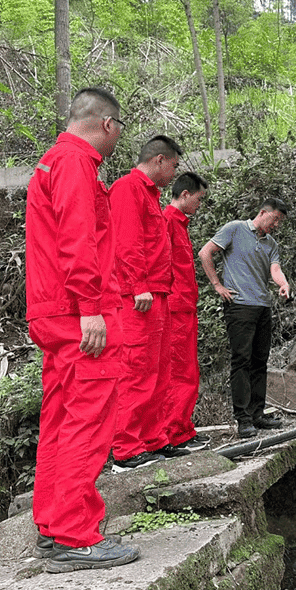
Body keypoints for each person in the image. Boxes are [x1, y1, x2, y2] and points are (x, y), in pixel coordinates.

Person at [25, 86, 139, 572]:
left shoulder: (52, 161)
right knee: (88, 421)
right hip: (78, 314)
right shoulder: (75, 163)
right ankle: (75, 536)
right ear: (107, 125)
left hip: (54, 311)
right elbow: (77, 239)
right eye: (119, 132)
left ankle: (54, 527)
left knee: (60, 418)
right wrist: (91, 307)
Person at [109, 135, 191, 472]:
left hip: (157, 294)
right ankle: (126, 448)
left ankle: (154, 439)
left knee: (158, 370)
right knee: (136, 368)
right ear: (159, 160)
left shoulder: (150, 195)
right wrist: (138, 285)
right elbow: (126, 240)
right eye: (173, 166)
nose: (174, 174)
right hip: (137, 296)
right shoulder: (128, 188)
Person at [198, 198, 291, 439]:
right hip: (238, 305)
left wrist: (283, 284)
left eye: (280, 221)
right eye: (275, 219)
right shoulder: (235, 228)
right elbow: (205, 252)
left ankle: (257, 414)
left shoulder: (270, 242)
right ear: (263, 212)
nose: (277, 224)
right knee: (242, 360)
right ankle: (243, 419)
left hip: (262, 306)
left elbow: (275, 269)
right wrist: (217, 285)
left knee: (260, 361)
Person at [163, 172, 211, 452]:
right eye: (199, 199)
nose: (199, 204)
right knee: (179, 373)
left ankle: (182, 429)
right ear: (184, 195)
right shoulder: (168, 221)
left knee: (188, 372)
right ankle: (174, 432)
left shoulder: (179, 224)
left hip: (184, 307)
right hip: (175, 308)